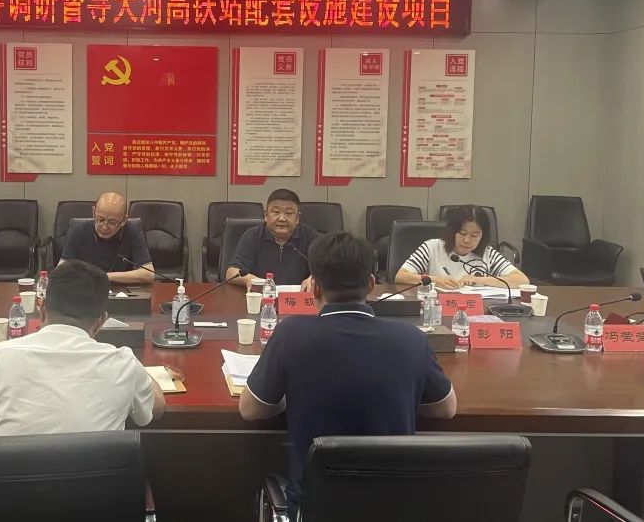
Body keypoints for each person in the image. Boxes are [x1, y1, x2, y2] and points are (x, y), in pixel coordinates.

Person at [238, 233, 456, 519]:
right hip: (393, 508)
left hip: (316, 510)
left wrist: (293, 392)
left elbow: (251, 410)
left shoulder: (291, 334)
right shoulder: (411, 339)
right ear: (371, 284)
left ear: (314, 287)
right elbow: (446, 408)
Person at [0, 260, 167, 439]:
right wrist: (139, 370)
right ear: (101, 321)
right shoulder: (123, 364)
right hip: (92, 495)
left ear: (41, 309)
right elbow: (156, 409)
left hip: (3, 494)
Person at [394, 205, 529, 290]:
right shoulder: (432, 247)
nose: (467, 240)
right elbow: (401, 276)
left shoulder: (488, 253)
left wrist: (479, 280)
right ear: (452, 231)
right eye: (462, 234)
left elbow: (522, 280)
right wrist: (436, 280)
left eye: (475, 235)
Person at [226, 189, 319, 290]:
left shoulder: (310, 236)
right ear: (266, 215)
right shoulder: (253, 236)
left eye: (289, 213)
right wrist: (249, 279)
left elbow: (327, 270)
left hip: (298, 297)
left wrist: (314, 278)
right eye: (276, 212)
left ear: (298, 218)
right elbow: (231, 273)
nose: (282, 219)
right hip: (261, 296)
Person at [59, 192, 155, 285]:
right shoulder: (78, 229)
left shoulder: (133, 231)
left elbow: (149, 274)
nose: (104, 227)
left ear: (124, 220)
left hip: (121, 289)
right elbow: (61, 271)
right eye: (100, 219)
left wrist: (105, 277)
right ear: (93, 212)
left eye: (112, 222)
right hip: (85, 288)